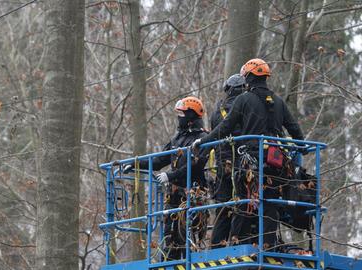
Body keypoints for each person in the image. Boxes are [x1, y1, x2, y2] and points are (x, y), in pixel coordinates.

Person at [192, 58, 304, 249]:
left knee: (245, 201)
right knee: (270, 201)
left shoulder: (244, 99)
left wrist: (202, 142)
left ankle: (241, 244)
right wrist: (300, 149)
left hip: (250, 159)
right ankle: (268, 243)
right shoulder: (277, 101)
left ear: (249, 77)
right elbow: (296, 133)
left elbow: (225, 127)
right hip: (276, 159)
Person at [124, 97, 209, 260]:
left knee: (188, 234)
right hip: (175, 196)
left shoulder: (203, 138)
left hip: (193, 193)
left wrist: (170, 175)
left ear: (191, 116)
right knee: (170, 235)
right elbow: (158, 162)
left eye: (182, 114)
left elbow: (196, 165)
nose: (179, 118)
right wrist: (135, 164)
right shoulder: (177, 139)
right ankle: (168, 263)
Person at [209, 74, 245, 249]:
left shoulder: (218, 110)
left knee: (223, 208)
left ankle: (217, 246)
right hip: (243, 164)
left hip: (223, 166)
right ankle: (239, 242)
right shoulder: (245, 106)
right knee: (244, 205)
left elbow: (214, 133)